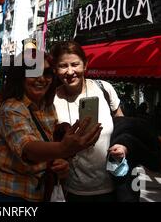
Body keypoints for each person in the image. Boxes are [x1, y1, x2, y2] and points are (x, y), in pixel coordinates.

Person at [0, 49, 102, 202]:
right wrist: (64, 148)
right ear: (20, 76)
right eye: (33, 72)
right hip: (5, 192)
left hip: (38, 194)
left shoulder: (48, 106)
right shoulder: (11, 107)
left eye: (47, 73)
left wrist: (60, 163)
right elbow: (28, 148)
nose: (41, 79)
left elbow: (49, 146)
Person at [51, 40, 126, 202]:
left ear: (85, 65)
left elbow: (122, 125)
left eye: (75, 64)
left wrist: (122, 146)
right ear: (55, 70)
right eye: (63, 66)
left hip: (111, 186)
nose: (70, 71)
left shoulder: (104, 89)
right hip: (71, 190)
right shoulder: (52, 101)